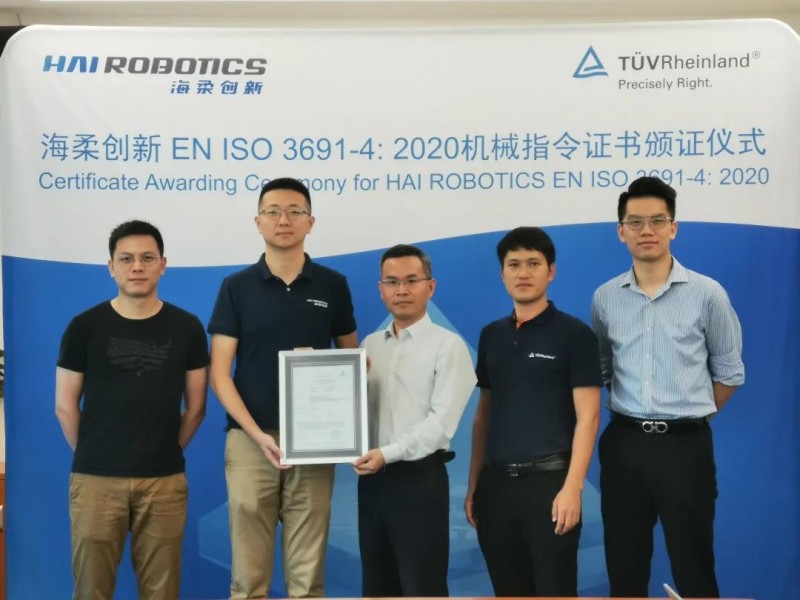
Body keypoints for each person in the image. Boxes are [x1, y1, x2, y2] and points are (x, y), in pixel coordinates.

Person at [591, 176, 745, 598]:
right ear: (621, 231)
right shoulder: (605, 298)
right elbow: (604, 368)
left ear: (673, 227)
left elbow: (729, 372)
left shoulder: (707, 294)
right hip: (624, 445)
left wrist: (691, 416)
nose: (647, 230)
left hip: (685, 448)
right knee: (624, 567)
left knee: (694, 566)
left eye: (658, 220)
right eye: (635, 222)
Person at [208, 177, 358, 599]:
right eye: (272, 211)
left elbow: (353, 361)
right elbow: (220, 373)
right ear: (258, 222)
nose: (284, 220)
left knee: (307, 578)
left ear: (311, 221)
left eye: (295, 211)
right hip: (249, 441)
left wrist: (332, 369)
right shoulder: (236, 287)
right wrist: (257, 435)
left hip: (314, 443)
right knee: (248, 578)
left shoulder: (332, 285)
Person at [55, 220, 209, 600]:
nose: (137, 266)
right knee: (91, 589)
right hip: (95, 479)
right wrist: (93, 454)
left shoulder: (187, 327)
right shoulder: (84, 327)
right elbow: (64, 406)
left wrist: (165, 450)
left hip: (164, 480)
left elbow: (196, 407)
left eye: (147, 258)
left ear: (163, 265)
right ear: (111, 267)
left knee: (162, 590)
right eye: (126, 259)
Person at [465, 226, 602, 598]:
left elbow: (588, 418)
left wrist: (572, 489)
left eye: (533, 263)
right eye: (514, 264)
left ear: (551, 271)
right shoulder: (491, 335)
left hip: (550, 486)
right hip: (496, 489)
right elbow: (484, 415)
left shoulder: (575, 335)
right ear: (502, 273)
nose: (523, 273)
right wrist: (475, 485)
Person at [354, 244, 475, 597]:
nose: (402, 290)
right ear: (381, 289)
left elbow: (440, 425)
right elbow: (351, 412)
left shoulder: (448, 346)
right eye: (392, 282)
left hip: (419, 482)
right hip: (372, 483)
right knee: (377, 586)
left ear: (430, 286)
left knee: (422, 586)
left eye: (411, 280)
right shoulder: (369, 345)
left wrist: (387, 454)